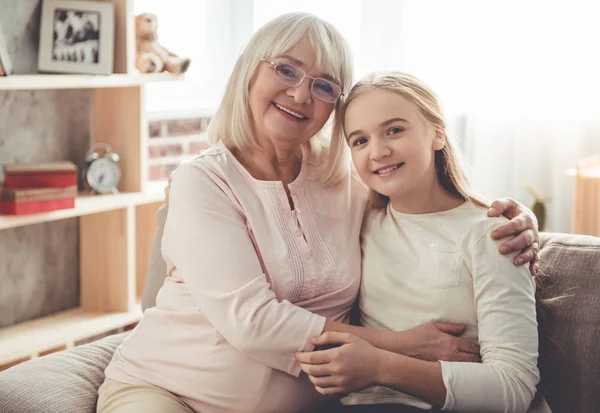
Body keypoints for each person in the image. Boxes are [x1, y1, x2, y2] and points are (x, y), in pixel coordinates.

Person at [97, 13, 540, 413]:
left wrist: (515, 220)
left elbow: (432, 210)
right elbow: (253, 322)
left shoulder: (346, 179)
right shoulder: (202, 181)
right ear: (249, 72)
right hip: (168, 391)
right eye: (286, 69)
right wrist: (401, 347)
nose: (300, 93)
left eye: (324, 85)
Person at [295, 72, 550, 413]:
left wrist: (379, 366)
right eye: (359, 141)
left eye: (394, 130)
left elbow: (513, 388)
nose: (378, 151)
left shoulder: (492, 236)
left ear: (438, 134)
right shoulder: (359, 220)